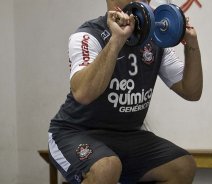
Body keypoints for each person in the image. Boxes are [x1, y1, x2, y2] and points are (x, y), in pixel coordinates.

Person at [48, 0, 203, 183]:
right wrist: (116, 40)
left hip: (127, 135)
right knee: (106, 168)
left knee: (182, 166)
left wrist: (191, 43)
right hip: (76, 132)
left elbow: (191, 91)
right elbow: (83, 94)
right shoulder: (88, 35)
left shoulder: (155, 41)